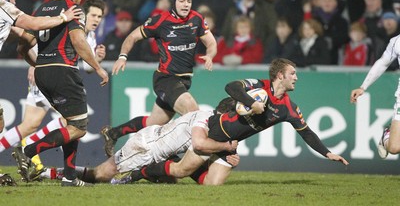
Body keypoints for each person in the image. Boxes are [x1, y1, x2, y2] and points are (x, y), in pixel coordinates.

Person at [130, 58, 349, 185]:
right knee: (180, 171)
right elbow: (231, 87)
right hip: (214, 131)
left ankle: (180, 164)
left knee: (211, 185)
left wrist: (327, 153)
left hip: (231, 143)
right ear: (280, 75)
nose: (296, 77)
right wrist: (250, 103)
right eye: (292, 73)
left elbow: (307, 132)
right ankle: (141, 172)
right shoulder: (258, 85)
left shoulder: (288, 108)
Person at [12, 0, 109, 187]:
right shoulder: (74, 10)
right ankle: (28, 151)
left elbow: (22, 45)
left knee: (70, 124)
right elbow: (78, 40)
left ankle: (69, 177)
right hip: (63, 70)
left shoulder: (41, 9)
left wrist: (38, 65)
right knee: (80, 127)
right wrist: (98, 68)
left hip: (42, 72)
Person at [101, 0, 217, 157]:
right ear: (173, 3)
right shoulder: (160, 21)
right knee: (194, 114)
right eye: (182, 1)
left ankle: (113, 134)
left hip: (184, 81)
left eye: (189, 1)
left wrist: (210, 55)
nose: (186, 5)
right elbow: (132, 36)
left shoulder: (197, 19)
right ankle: (186, 161)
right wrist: (123, 56)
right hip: (166, 79)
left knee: (152, 123)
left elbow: (211, 43)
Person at [41, 98, 239, 185]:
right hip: (146, 147)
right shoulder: (204, 119)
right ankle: (48, 173)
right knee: (98, 175)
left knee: (170, 181)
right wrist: (226, 148)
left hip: (160, 148)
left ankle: (141, 175)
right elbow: (199, 144)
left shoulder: (212, 122)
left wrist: (226, 155)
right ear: (225, 115)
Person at [350, 32, 400, 159]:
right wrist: (363, 87)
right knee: (394, 148)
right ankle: (386, 136)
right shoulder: (396, 41)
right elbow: (383, 63)